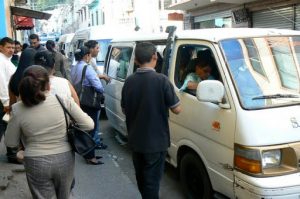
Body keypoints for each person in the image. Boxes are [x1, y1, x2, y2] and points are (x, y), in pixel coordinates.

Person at [5, 65, 94, 199]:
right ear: (48, 85)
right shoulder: (63, 100)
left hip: (35, 161)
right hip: (65, 157)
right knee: (66, 195)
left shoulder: (17, 109)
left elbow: (10, 142)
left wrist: (21, 153)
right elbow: (89, 124)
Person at [121, 42, 181, 199]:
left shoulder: (129, 81)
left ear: (135, 60)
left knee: (141, 179)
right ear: (155, 57)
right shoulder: (162, 80)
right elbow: (177, 109)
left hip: (135, 140)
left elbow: (124, 109)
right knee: (152, 182)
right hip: (156, 142)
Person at [71, 46, 104, 165]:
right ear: (86, 56)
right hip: (89, 101)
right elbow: (98, 85)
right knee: (91, 127)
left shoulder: (74, 67)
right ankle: (90, 156)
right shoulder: (87, 68)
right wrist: (101, 90)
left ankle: (88, 153)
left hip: (79, 100)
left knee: (83, 127)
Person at [84, 40, 108, 149]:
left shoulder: (88, 62)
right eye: (97, 48)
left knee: (92, 120)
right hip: (92, 96)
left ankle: (94, 138)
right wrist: (102, 77)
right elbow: (93, 78)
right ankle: (95, 141)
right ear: (91, 49)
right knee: (94, 120)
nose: (99, 50)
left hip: (87, 96)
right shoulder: (89, 63)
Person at [0, 37, 16, 142]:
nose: (11, 50)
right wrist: (6, 102)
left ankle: (11, 152)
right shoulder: (1, 61)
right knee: (3, 127)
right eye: (8, 47)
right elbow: (1, 82)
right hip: (3, 102)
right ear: (1, 47)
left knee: (7, 127)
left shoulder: (6, 60)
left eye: (13, 47)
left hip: (7, 100)